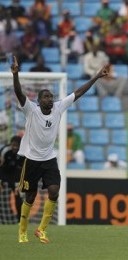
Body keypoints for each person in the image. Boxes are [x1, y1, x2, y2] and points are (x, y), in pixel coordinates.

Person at [11, 55, 109, 243]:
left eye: (51, 96)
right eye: (46, 96)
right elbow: (18, 93)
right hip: (31, 160)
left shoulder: (58, 108)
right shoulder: (31, 110)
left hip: (49, 159)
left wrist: (96, 77)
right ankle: (22, 231)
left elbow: (78, 92)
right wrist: (16, 74)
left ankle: (41, 230)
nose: (50, 99)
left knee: (54, 191)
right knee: (30, 197)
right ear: (39, 101)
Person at [0, 135, 23, 222]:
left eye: (17, 145)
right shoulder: (5, 151)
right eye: (13, 145)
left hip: (16, 177)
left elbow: (25, 170)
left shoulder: (24, 153)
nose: (15, 147)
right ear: (10, 144)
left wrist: (21, 182)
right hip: (4, 175)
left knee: (18, 197)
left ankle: (19, 219)